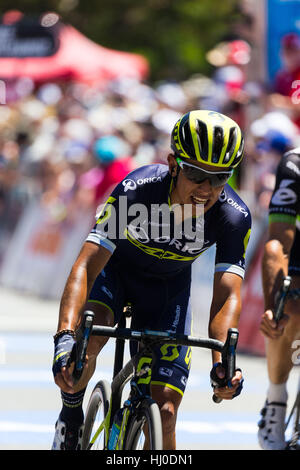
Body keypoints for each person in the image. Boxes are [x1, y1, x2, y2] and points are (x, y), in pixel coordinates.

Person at [51, 110, 251, 450]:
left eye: (219, 178)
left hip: (167, 292)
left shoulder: (233, 216)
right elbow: (86, 266)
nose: (206, 189)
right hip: (115, 275)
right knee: (82, 356)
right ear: (173, 164)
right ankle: (70, 418)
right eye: (196, 173)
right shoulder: (136, 190)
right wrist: (66, 339)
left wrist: (223, 363)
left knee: (167, 412)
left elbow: (227, 296)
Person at [258, 147, 300, 450]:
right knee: (290, 311)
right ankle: (276, 398)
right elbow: (277, 244)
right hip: (297, 247)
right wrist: (274, 307)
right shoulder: (296, 163)